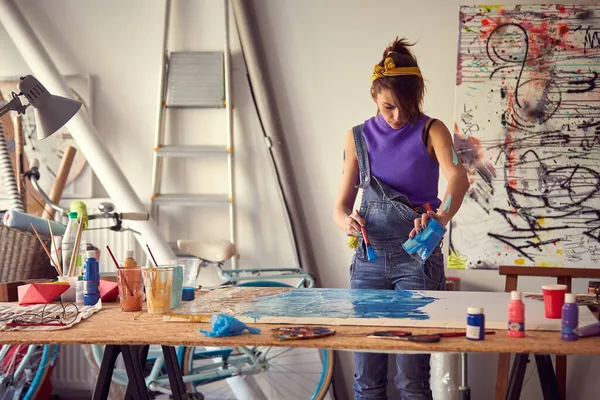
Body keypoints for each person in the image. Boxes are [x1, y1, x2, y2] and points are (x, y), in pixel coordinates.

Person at [333, 37, 470, 400]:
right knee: (368, 380)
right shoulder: (357, 137)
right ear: (374, 96)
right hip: (369, 262)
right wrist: (345, 221)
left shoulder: (431, 130)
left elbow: (458, 177)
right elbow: (340, 206)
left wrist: (440, 217)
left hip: (418, 262)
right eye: (389, 107)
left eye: (406, 107)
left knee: (411, 380)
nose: (398, 116)